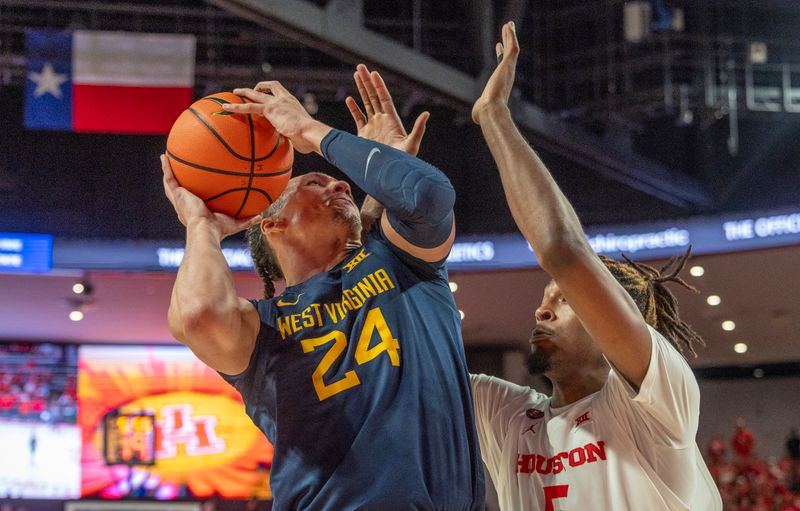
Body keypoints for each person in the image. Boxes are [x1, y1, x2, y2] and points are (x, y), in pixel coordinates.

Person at [162, 64, 484, 510]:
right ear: (271, 222)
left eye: (338, 178)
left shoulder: (404, 262)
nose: (338, 181)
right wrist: (200, 225)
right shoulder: (266, 328)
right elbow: (198, 314)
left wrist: (312, 131)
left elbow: (429, 194)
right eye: (314, 182)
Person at [469, 22, 722, 510]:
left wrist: (494, 116)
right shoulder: (506, 414)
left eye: (564, 300)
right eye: (544, 301)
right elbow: (396, 362)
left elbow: (564, 251)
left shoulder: (654, 403)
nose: (541, 313)